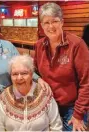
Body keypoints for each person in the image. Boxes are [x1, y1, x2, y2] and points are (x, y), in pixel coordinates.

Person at [34, 2, 89, 131]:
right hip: (48, 105)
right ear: (41, 25)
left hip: (73, 107)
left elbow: (86, 82)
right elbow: (34, 71)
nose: (51, 26)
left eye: (55, 21)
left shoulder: (76, 45)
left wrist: (78, 114)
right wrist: (38, 79)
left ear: (62, 22)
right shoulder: (39, 45)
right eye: (46, 23)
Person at [0, 55, 63, 131]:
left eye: (24, 73)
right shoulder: (3, 98)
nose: (19, 78)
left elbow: (56, 126)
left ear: (32, 74)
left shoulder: (45, 94)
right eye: (15, 74)